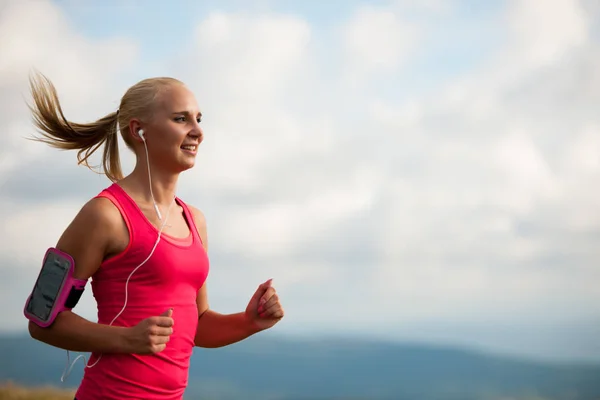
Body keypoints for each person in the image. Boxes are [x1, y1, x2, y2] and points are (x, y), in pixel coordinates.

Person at [25, 72, 285, 400]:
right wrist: (126, 339)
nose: (198, 131)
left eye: (199, 119)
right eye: (181, 119)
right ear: (139, 130)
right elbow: (41, 320)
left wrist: (250, 321)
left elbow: (197, 324)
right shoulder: (104, 215)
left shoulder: (195, 221)